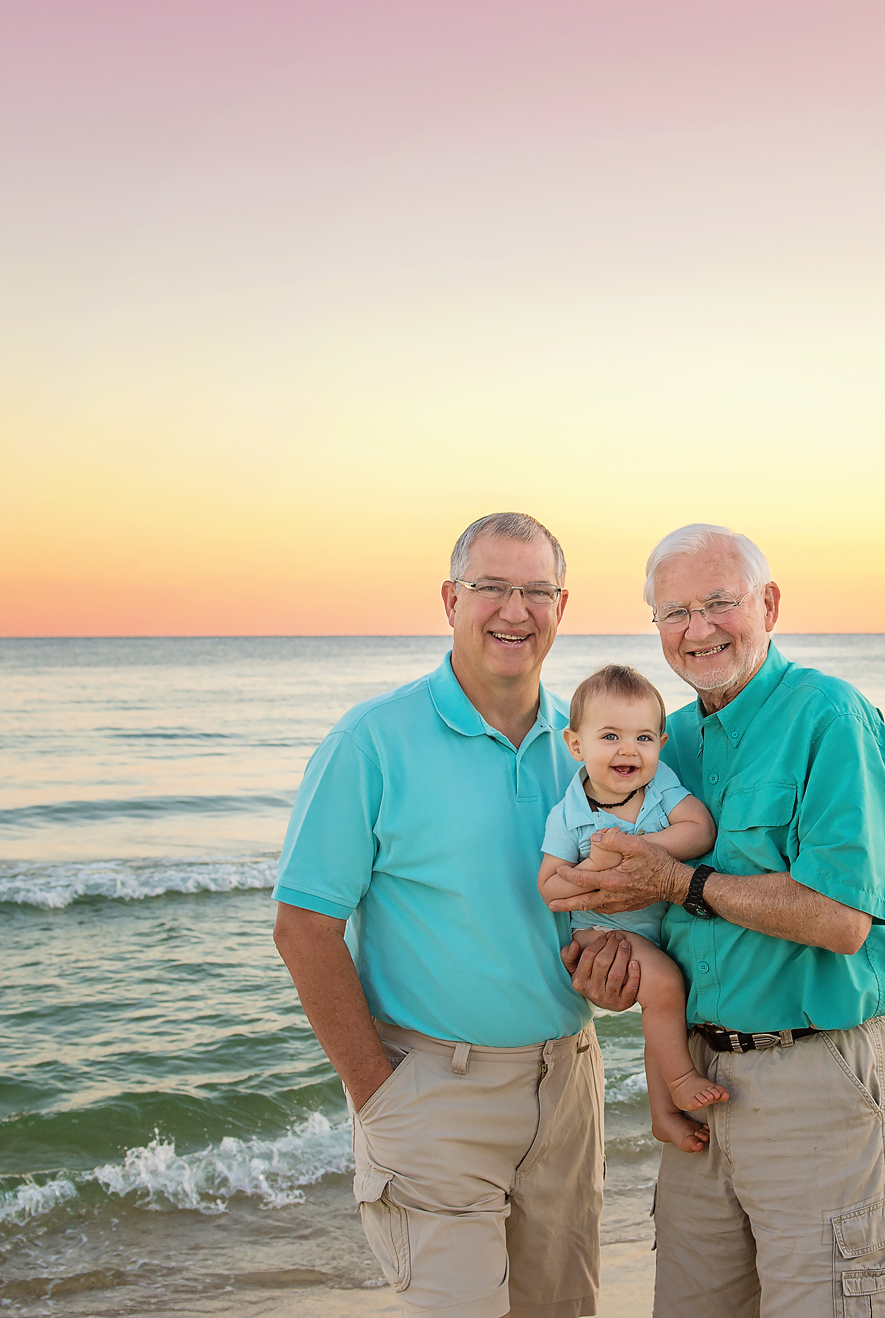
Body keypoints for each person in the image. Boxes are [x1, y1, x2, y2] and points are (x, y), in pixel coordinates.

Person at [554, 523, 885, 1317]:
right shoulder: (666, 740)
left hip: (818, 1081)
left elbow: (843, 919)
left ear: (769, 604)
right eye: (674, 611)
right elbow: (657, 911)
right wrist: (616, 966)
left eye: (720, 602)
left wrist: (684, 880)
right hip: (698, 1081)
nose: (698, 628)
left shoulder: (831, 716)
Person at [273, 512, 630, 1318]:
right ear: (450, 599)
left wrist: (613, 966)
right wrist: (379, 1092)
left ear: (561, 605)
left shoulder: (591, 746)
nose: (515, 609)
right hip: (433, 1092)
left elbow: (613, 901)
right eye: (491, 587)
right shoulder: (372, 740)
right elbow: (303, 928)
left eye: (536, 590)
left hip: (567, 1086)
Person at [538, 663, 727, 1155]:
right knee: (664, 987)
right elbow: (550, 887)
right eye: (609, 736)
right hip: (597, 932)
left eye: (644, 737)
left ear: (661, 743)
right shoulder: (570, 814)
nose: (628, 750)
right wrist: (598, 866)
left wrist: (640, 846)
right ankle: (682, 1081)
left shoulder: (660, 785)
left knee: (663, 1016)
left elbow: (699, 830)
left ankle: (663, 1115)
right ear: (576, 745)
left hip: (653, 930)